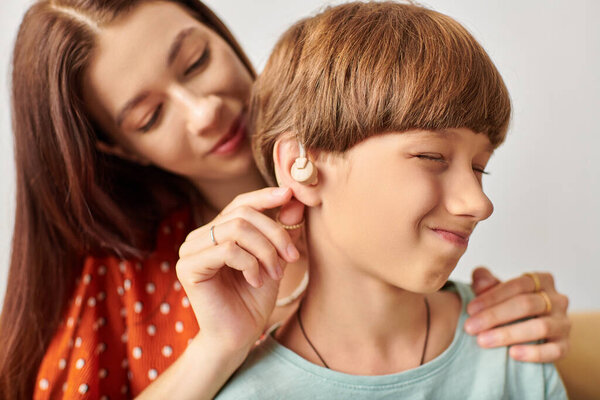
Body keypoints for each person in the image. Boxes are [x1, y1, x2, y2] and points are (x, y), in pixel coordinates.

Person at [0, 0, 569, 399]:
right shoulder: (121, 280)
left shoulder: (360, 109)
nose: (205, 111)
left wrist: (543, 322)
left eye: (196, 60)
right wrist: (217, 350)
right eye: (150, 116)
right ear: (118, 147)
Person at [214, 2, 567, 399]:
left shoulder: (513, 347)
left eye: (480, 167)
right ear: (303, 163)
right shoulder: (251, 392)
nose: (479, 203)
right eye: (432, 157)